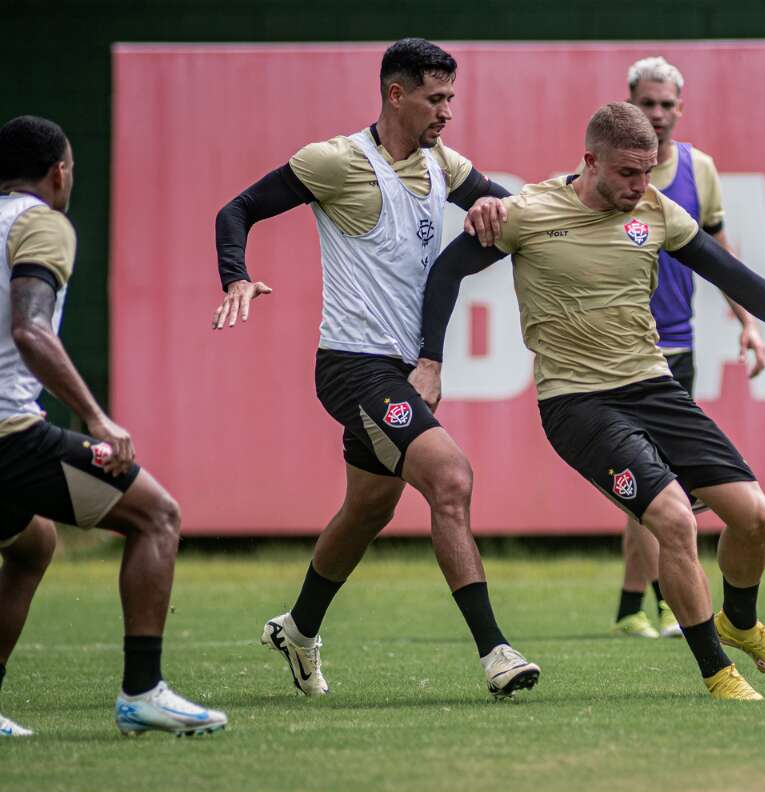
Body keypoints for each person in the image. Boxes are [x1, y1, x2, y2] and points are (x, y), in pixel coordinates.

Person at [417, 102, 765, 700]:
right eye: (628, 173)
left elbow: (731, 275)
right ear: (590, 161)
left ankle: (740, 621)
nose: (640, 186)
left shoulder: (656, 211)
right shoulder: (527, 212)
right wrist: (430, 361)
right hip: (578, 403)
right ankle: (718, 674)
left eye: (648, 171)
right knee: (675, 519)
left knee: (756, 516)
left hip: (653, 387)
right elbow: (446, 273)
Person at [212, 38, 539, 700]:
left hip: (397, 372)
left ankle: (299, 628)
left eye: (452, 97)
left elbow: (507, 211)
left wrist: (489, 205)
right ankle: (496, 652)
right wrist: (236, 277)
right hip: (353, 368)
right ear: (396, 95)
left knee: (367, 509)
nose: (448, 111)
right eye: (435, 97)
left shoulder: (443, 164)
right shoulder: (335, 162)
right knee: (450, 477)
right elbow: (236, 210)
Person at [0, 115, 227, 736]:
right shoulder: (41, 222)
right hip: (8, 435)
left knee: (33, 543)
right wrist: (97, 418)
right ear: (59, 172)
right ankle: (142, 692)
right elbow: (30, 328)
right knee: (158, 516)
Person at [605, 56, 765, 640]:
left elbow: (720, 259)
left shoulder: (698, 170)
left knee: (659, 485)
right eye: (647, 103)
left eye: (667, 104)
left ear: (680, 109)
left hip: (677, 349)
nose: (657, 114)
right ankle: (664, 602)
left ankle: (635, 606)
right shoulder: (606, 172)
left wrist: (748, 323)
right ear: (629, 104)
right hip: (619, 357)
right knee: (658, 487)